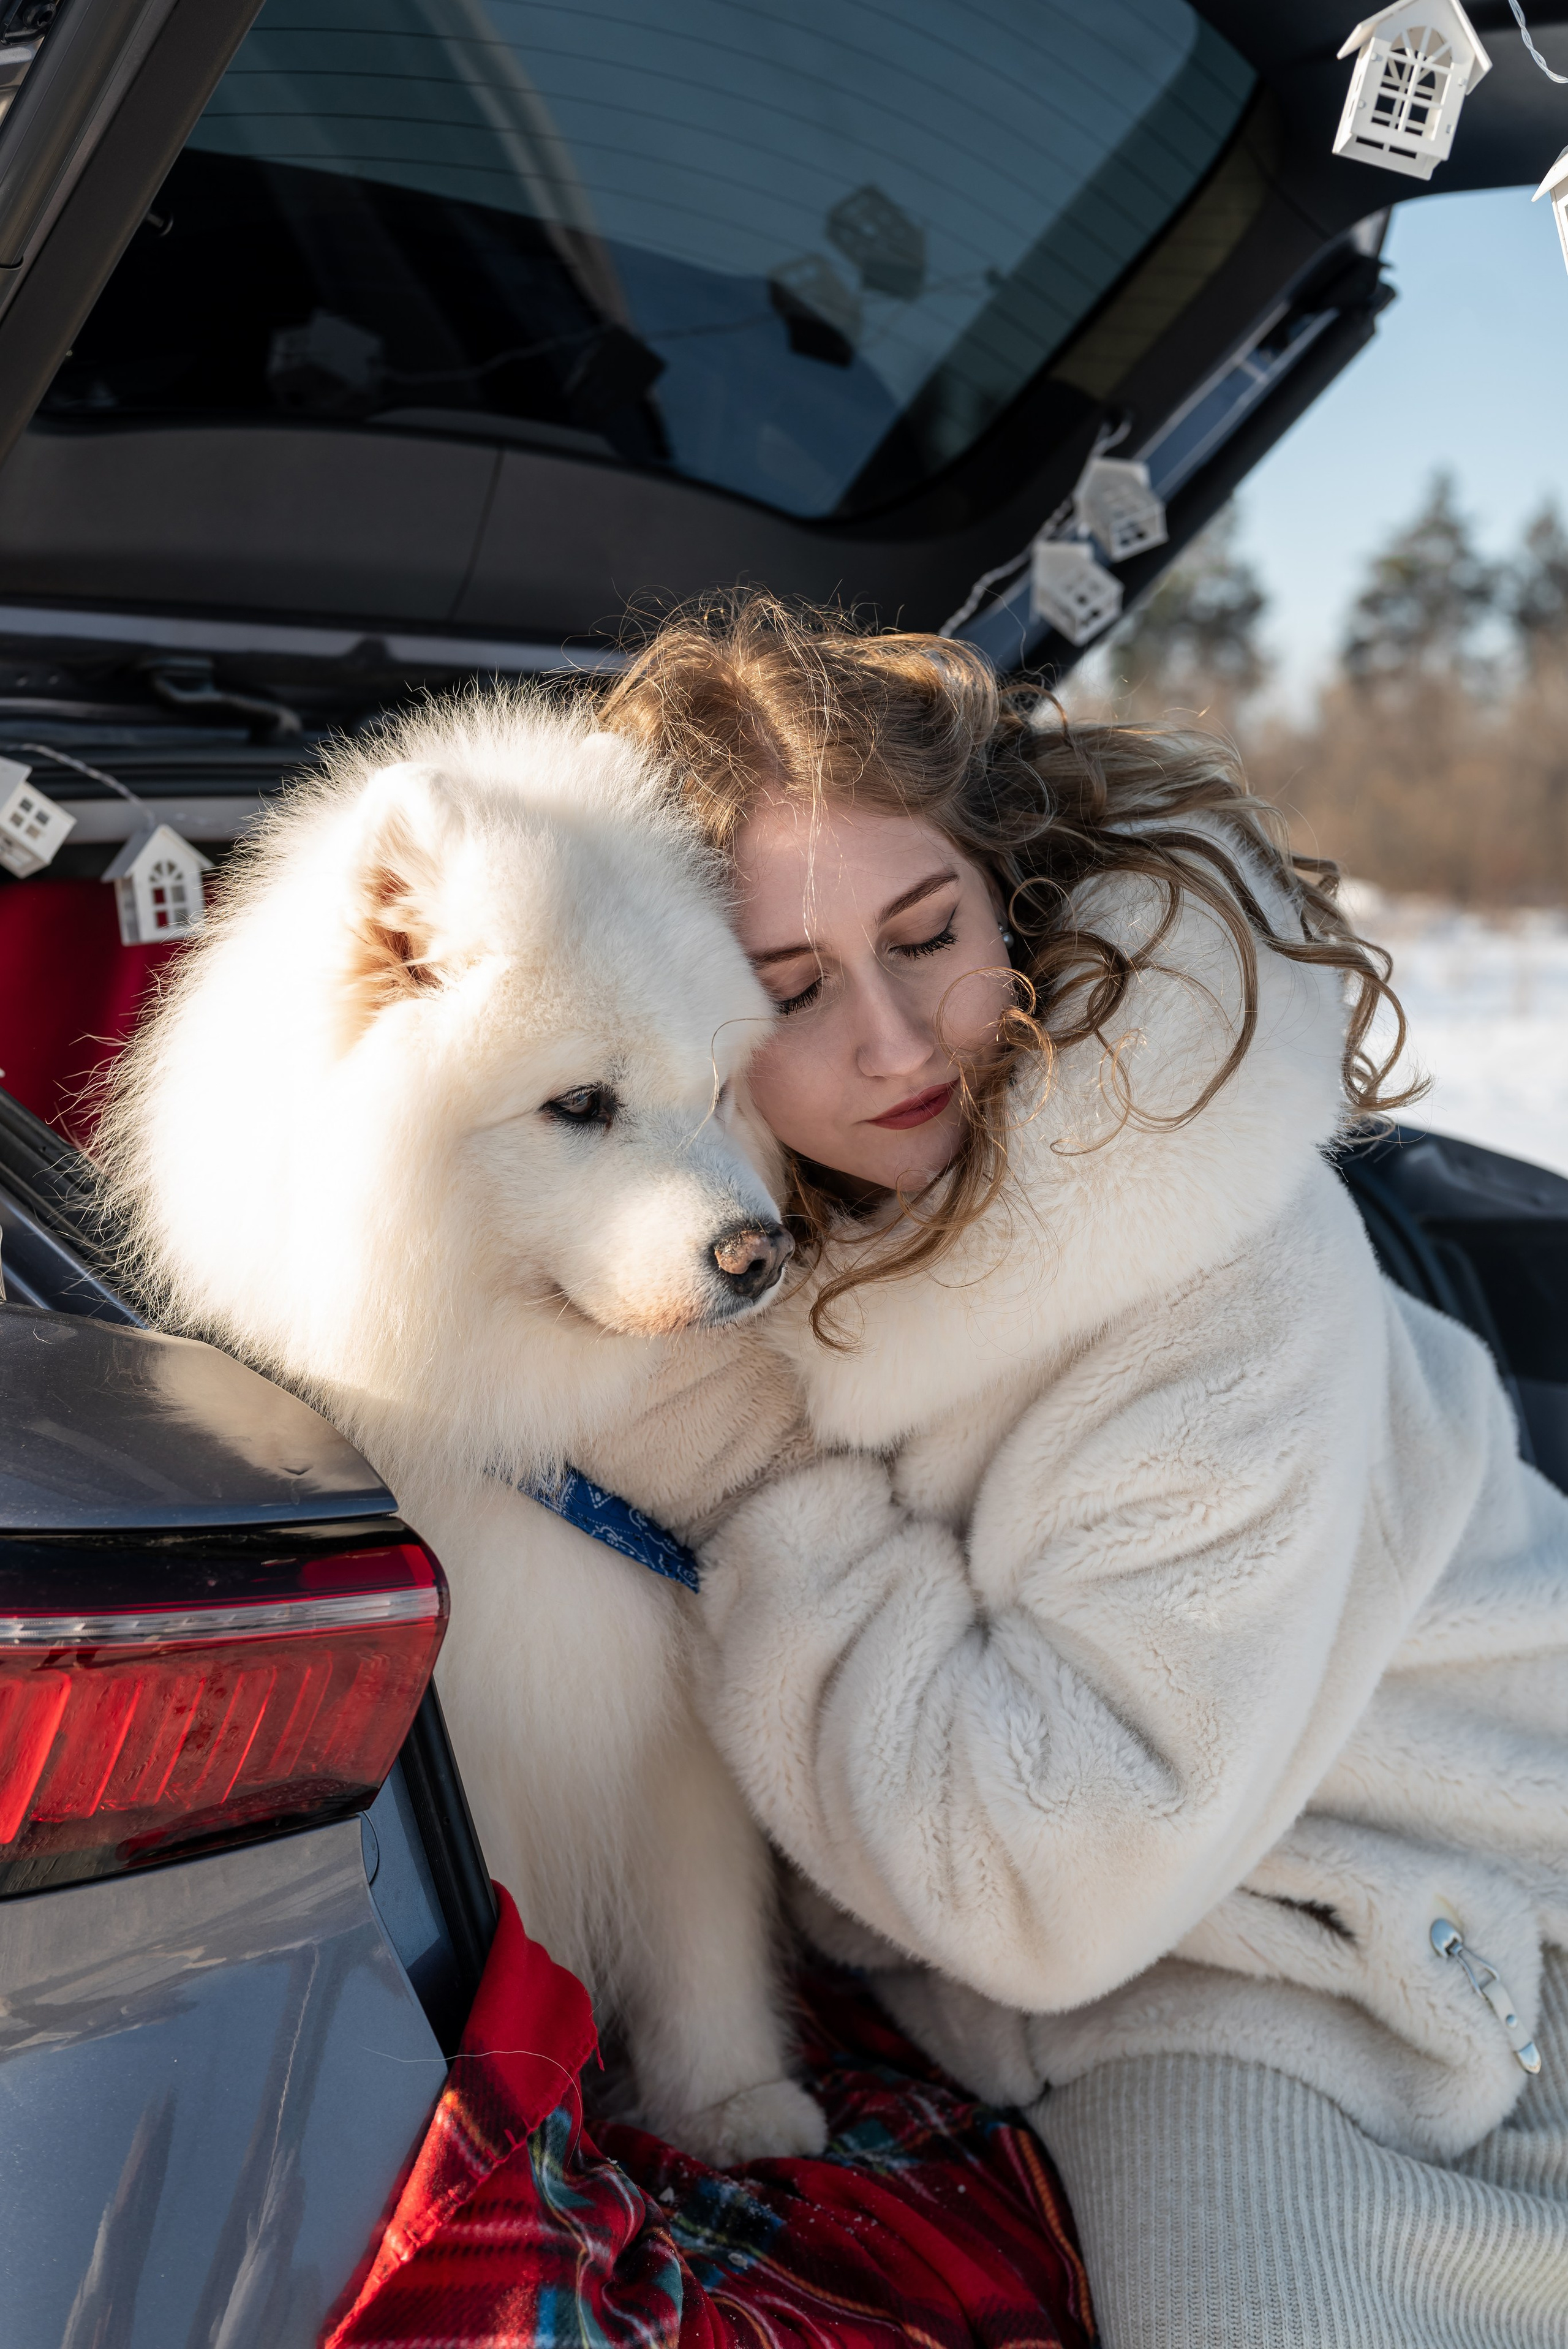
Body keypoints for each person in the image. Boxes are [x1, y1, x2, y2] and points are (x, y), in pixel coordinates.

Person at [600, 594, 1568, 2349]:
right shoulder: (789, 1232)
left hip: (1424, 1916)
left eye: (926, 934)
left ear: (1012, 894)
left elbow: (1053, 1889)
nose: (893, 1042)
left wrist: (752, 1484)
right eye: (790, 989)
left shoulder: (1214, 1256)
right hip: (1156, 1912)